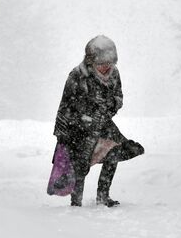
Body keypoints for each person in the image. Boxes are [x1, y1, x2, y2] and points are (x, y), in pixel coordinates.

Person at [53, 35, 144, 207]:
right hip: (77, 127)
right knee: (80, 164)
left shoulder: (114, 74)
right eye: (102, 63)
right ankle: (76, 202)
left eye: (109, 63)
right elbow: (65, 106)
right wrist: (72, 127)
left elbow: (118, 97)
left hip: (102, 123)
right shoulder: (77, 76)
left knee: (114, 152)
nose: (106, 67)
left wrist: (110, 105)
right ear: (91, 61)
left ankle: (103, 196)